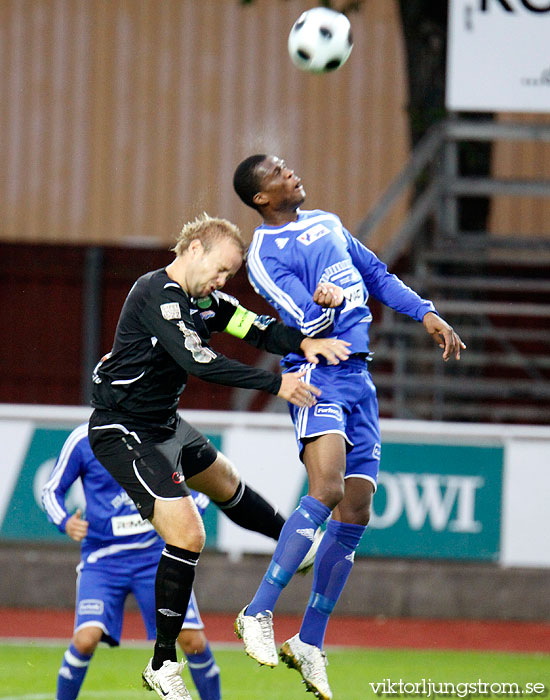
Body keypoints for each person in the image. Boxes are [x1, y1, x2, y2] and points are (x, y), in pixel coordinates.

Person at [87, 213, 350, 700]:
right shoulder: (156, 295)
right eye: (222, 269)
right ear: (194, 250)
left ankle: (298, 548)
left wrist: (307, 336)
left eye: (230, 274)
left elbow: (259, 331)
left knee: (225, 481)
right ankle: (163, 663)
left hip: (163, 423)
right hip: (123, 429)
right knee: (189, 533)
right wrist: (278, 383)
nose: (224, 280)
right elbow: (198, 361)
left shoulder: (204, 301)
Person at [232, 154, 466, 700]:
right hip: (317, 373)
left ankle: (309, 641)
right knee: (329, 488)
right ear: (262, 198)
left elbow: (377, 275)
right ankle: (258, 611)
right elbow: (299, 325)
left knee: (356, 510)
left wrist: (426, 313)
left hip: (358, 377)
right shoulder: (264, 255)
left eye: (290, 165)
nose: (291, 172)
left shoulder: (330, 223)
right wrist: (321, 303)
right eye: (277, 173)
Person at [42, 424, 221, 700]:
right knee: (85, 639)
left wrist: (194, 505)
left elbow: (201, 481)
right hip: (103, 560)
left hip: (155, 558)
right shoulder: (82, 439)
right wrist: (65, 522)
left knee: (192, 641)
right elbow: (51, 491)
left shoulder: (157, 432)